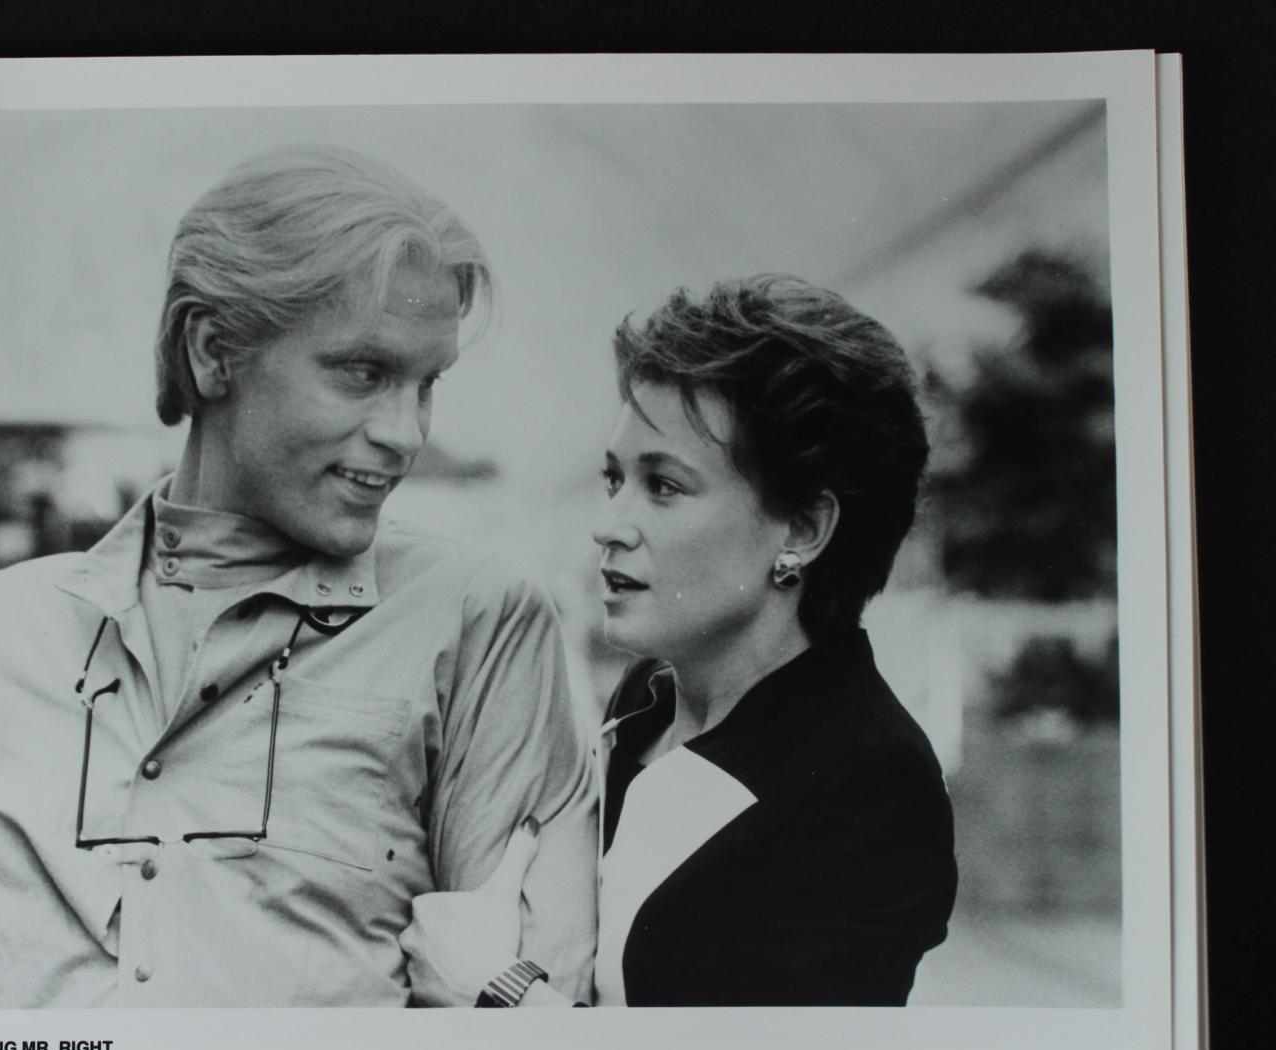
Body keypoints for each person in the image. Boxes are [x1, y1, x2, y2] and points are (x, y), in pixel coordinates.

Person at [0, 146, 597, 1009]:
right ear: (212, 353)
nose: (406, 432)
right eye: (364, 374)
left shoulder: (479, 621)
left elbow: (522, 1014)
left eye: (426, 384)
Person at [402, 276, 957, 1008]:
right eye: (613, 479)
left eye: (663, 486)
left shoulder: (869, 784)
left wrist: (491, 991)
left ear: (802, 530)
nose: (608, 525)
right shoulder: (648, 700)